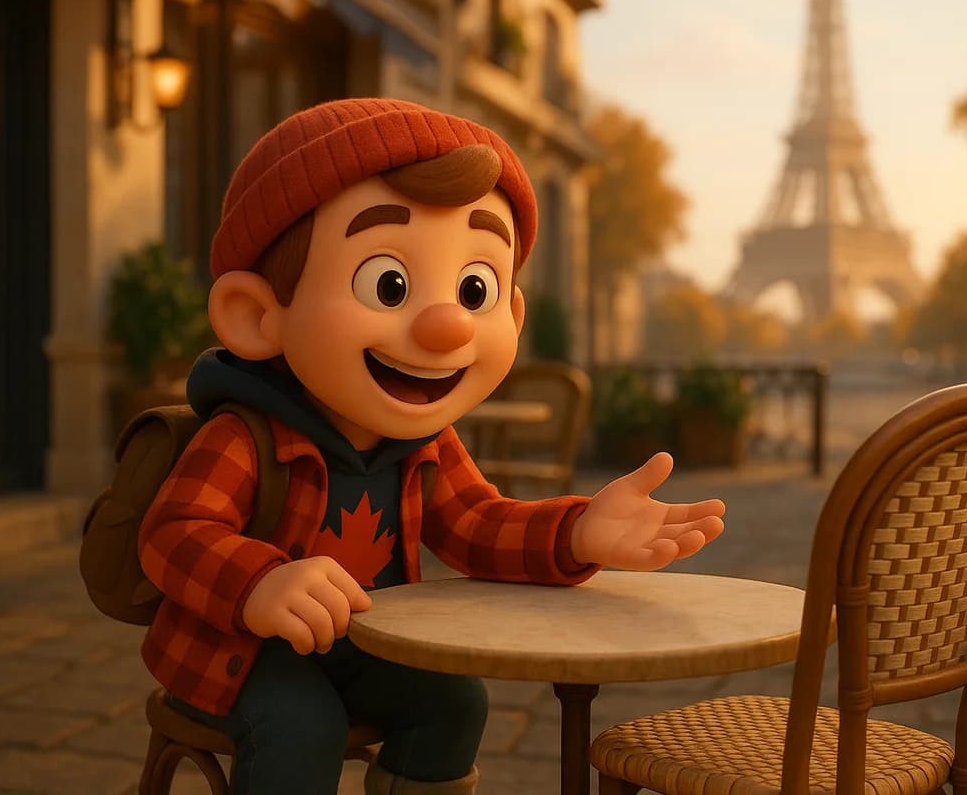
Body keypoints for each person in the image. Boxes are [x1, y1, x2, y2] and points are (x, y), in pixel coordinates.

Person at [137, 97, 726, 795]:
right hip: (236, 651)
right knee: (302, 726)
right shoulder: (248, 435)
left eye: (475, 288)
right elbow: (172, 535)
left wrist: (577, 531)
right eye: (388, 284)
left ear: (511, 310)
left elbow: (478, 523)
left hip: (362, 643)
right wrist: (258, 581)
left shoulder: (423, 441)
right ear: (258, 315)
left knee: (453, 702)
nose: (447, 325)